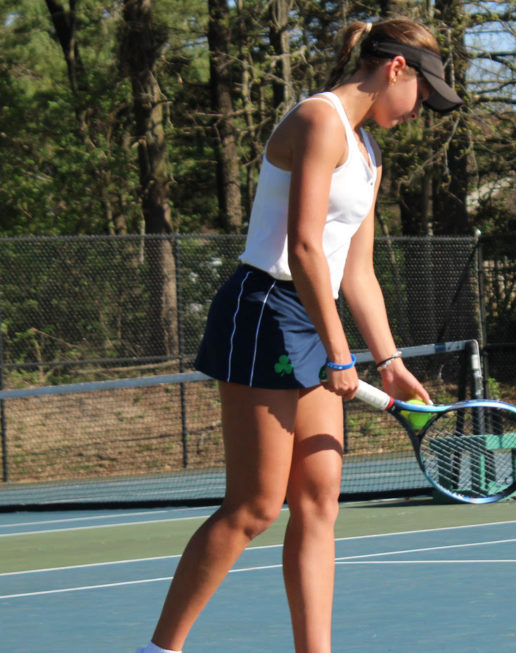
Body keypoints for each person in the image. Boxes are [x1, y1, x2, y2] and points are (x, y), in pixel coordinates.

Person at [137, 18, 462, 653]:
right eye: (423, 92)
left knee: (319, 502)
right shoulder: (319, 121)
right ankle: (160, 651)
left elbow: (357, 271)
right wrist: (339, 351)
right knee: (255, 507)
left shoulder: (368, 151)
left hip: (314, 317)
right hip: (263, 311)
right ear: (396, 69)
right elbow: (305, 244)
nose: (423, 109)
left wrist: (388, 361)